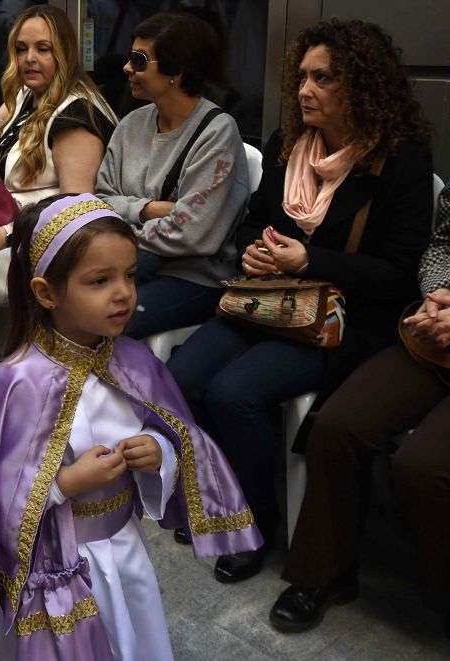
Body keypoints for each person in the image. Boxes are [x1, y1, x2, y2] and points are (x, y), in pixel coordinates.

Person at [0, 194, 260, 660]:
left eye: (130, 276)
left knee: (134, 639)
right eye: (100, 281)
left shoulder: (135, 363)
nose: (124, 294)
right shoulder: (12, 385)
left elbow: (177, 434)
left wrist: (158, 451)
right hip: (55, 570)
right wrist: (66, 483)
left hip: (124, 549)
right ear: (46, 293)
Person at [166, 18, 433, 584]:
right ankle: (220, 496)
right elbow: (254, 224)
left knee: (235, 394)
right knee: (185, 374)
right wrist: (254, 255)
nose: (306, 90)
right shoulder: (290, 145)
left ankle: (255, 522)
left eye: (324, 79)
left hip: (340, 319)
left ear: (363, 86)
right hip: (267, 300)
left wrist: (309, 262)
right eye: (303, 77)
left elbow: (398, 275)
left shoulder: (400, 162)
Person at [269, 185, 450, 633]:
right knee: (338, 423)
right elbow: (443, 246)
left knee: (425, 467)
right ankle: (325, 573)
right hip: (439, 339)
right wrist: (439, 294)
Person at [0, 4, 118, 412]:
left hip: (44, 242)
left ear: (66, 54)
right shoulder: (30, 96)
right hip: (8, 226)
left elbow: (74, 208)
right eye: (21, 49)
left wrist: (2, 233)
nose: (29, 59)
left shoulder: (77, 112)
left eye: (43, 49)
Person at [96, 11, 251, 339]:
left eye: (139, 61)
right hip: (127, 266)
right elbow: (99, 201)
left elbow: (193, 232)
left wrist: (122, 228)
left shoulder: (217, 132)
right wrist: (147, 209)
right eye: (129, 57)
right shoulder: (131, 124)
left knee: (106, 320)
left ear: (176, 72)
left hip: (194, 277)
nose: (127, 69)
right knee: (68, 307)